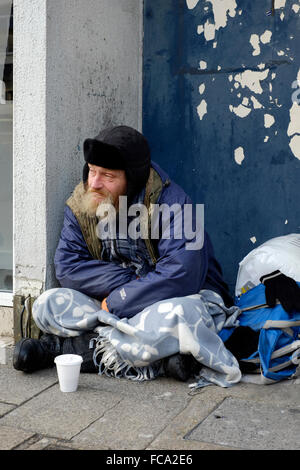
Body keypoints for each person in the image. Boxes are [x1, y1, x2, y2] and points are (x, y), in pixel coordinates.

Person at [13, 125, 245, 382]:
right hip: (116, 300)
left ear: (132, 178)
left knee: (181, 315)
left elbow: (183, 276)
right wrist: (127, 284)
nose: (95, 183)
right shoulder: (83, 201)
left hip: (173, 300)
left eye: (108, 176)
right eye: (92, 171)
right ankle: (161, 357)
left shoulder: (176, 204)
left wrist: (119, 301)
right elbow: (67, 266)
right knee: (48, 304)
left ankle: (63, 349)